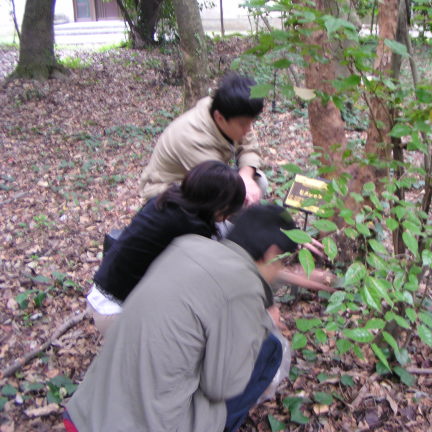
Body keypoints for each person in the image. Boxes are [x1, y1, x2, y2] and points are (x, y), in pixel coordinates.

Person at [64, 204, 298, 432]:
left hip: (84, 413)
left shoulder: (187, 245)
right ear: (272, 253)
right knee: (270, 347)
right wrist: (262, 324)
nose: (279, 270)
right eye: (283, 262)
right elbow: (222, 386)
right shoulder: (244, 287)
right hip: (147, 424)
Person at [87, 160, 246, 335]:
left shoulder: (166, 200)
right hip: (116, 313)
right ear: (217, 204)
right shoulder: (191, 227)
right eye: (228, 209)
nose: (228, 215)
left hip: (101, 294)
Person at [139, 73, 265, 206]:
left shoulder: (230, 110)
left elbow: (249, 147)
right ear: (220, 118)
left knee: (257, 182)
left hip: (203, 179)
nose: (248, 129)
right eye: (243, 124)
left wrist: (246, 176)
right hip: (166, 192)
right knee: (230, 198)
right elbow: (215, 187)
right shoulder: (194, 138)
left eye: (251, 122)